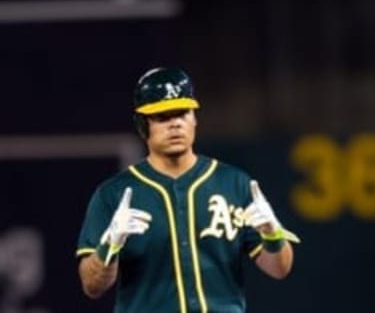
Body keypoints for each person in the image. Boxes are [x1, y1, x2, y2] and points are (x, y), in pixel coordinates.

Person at [75, 67, 300, 313]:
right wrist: (110, 244)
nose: (175, 124)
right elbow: (91, 286)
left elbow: (280, 269)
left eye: (182, 113)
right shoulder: (114, 194)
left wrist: (273, 234)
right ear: (142, 125)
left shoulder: (234, 183)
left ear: (194, 118)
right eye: (162, 116)